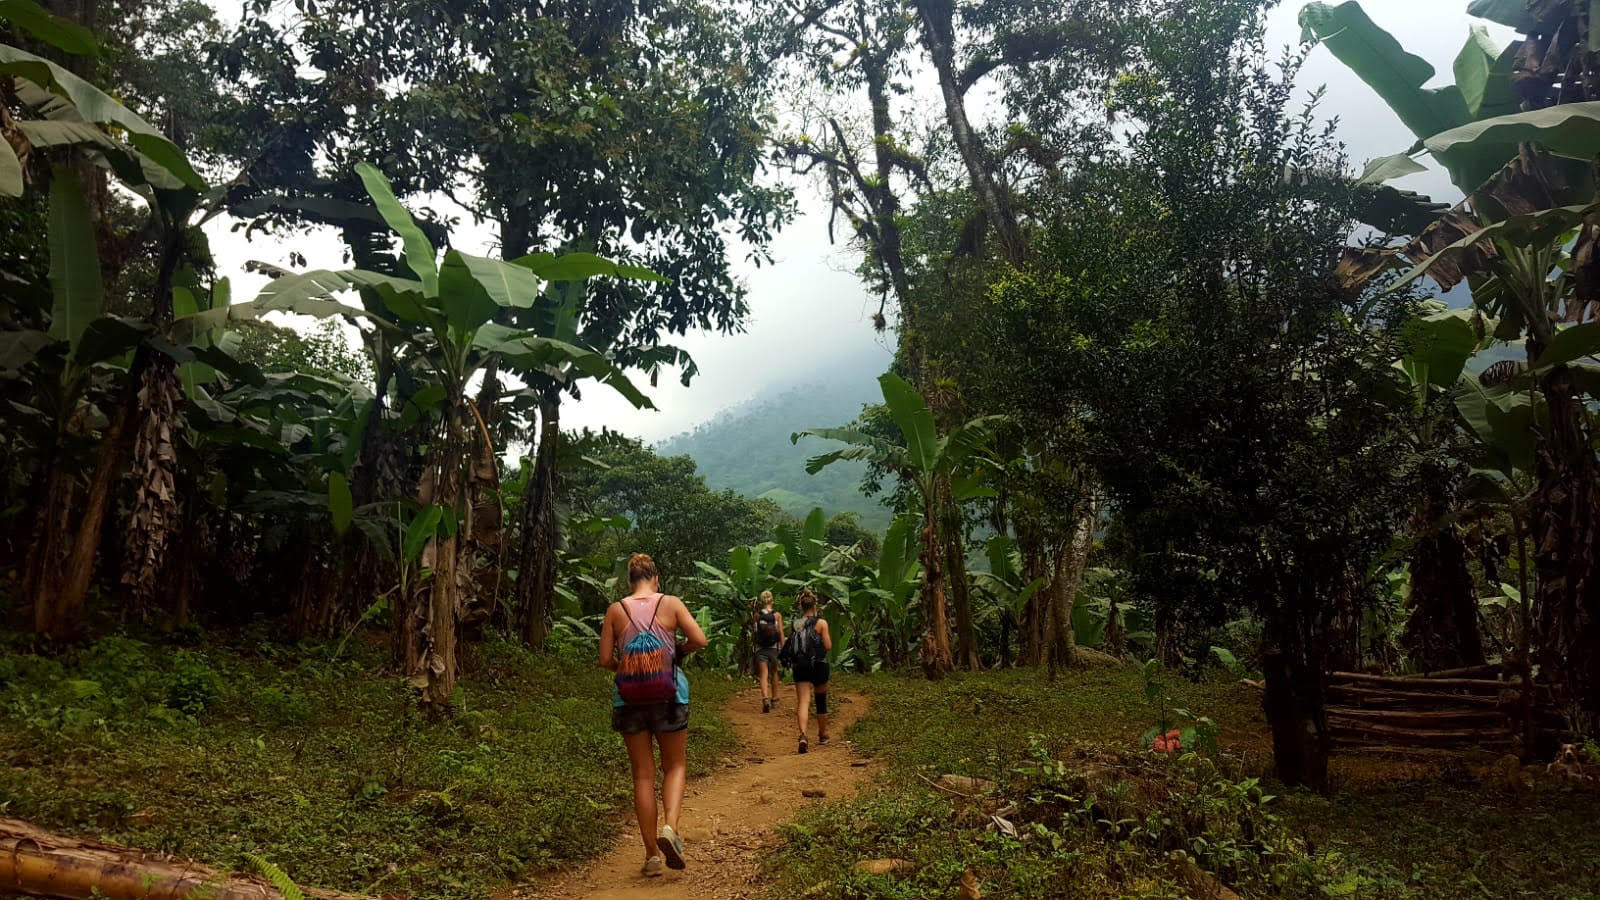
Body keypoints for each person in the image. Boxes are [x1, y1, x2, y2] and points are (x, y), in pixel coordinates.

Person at [599, 553, 708, 878]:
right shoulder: (671, 603)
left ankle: (650, 856)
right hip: (670, 694)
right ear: (656, 578)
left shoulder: (616, 610)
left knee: (642, 775)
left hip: (629, 700)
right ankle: (670, 827)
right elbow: (699, 639)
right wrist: (675, 653)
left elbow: (605, 660)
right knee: (674, 765)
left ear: (629, 581)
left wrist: (631, 669)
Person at [787, 589, 832, 754]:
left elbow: (790, 645)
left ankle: (804, 735)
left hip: (800, 666)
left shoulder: (795, 624)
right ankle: (822, 735)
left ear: (800, 605)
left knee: (804, 701)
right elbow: (828, 646)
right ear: (815, 605)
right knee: (820, 700)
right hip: (819, 664)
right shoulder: (821, 623)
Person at [752, 591, 784, 713]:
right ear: (772, 601)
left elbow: (755, 632)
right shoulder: (777, 615)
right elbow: (780, 633)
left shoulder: (756, 616)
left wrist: (755, 647)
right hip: (774, 648)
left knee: (763, 674)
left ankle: (765, 698)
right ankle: (774, 699)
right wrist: (783, 648)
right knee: (774, 672)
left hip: (761, 649)